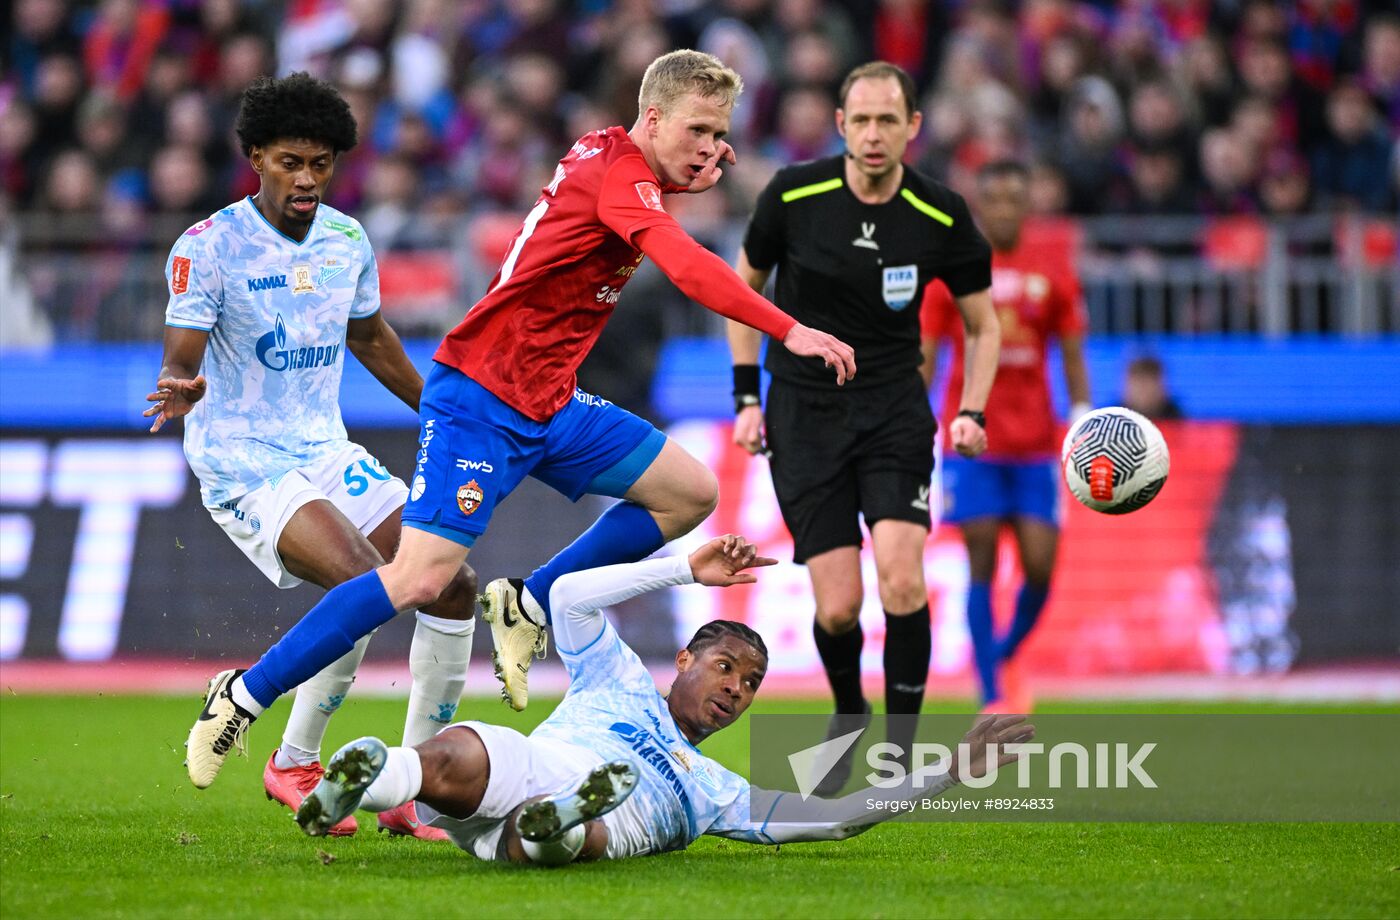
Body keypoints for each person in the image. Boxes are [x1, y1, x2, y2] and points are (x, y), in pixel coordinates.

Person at [185, 50, 857, 788]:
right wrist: (786, 329)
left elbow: (646, 195)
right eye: (698, 128)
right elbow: (685, 264)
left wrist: (680, 171)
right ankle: (242, 697)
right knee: (417, 580)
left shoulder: (620, 161)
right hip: (481, 398)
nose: (709, 145)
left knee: (689, 492)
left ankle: (529, 602)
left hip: (551, 399)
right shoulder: (620, 173)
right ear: (654, 116)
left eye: (719, 132)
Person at [149, 73, 479, 840]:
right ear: (256, 156)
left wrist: (447, 411)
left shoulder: (346, 240)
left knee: (453, 585)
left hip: (325, 448)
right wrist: (180, 385)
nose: (306, 178)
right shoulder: (208, 247)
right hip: (243, 458)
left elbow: (369, 338)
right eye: (291, 162)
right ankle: (294, 760)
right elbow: (182, 353)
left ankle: (415, 784)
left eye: (321, 164)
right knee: (369, 581)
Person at [292, 535, 1035, 864]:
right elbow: (569, 596)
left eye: (749, 685)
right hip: (544, 762)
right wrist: (685, 570)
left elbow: (835, 820)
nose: (735, 690)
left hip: (594, 824)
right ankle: (362, 781)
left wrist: (951, 772)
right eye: (724, 667)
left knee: (576, 837)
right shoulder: (615, 676)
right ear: (684, 659)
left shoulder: (719, 791)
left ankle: (561, 817)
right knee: (463, 754)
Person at [727, 61, 999, 796]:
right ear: (840, 124)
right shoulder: (794, 195)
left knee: (904, 580)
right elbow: (740, 292)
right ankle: (849, 710)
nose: (875, 134)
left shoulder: (942, 213)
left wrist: (972, 410)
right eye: (863, 120)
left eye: (890, 120)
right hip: (804, 414)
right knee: (839, 605)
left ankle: (900, 750)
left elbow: (984, 323)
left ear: (913, 127)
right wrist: (746, 400)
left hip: (892, 410)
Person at [921, 159, 1091, 713]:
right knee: (982, 558)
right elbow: (928, 355)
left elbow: (1069, 348)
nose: (1003, 209)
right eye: (993, 199)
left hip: (1037, 440)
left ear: (1027, 203)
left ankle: (1001, 652)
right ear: (980, 205)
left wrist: (1084, 413)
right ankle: (992, 690)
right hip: (974, 439)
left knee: (1042, 566)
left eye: (1014, 198)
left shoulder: (1053, 266)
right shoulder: (953, 266)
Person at [1121, 354, 1183, 421]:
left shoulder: (1179, 420)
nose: (1143, 389)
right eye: (1138, 381)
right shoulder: (1113, 416)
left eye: (1148, 382)